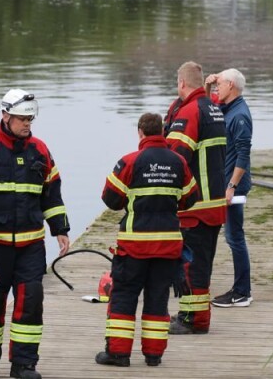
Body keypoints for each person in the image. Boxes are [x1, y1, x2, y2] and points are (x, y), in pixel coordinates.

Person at [0, 89, 71, 379]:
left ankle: (24, 365)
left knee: (31, 303)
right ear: (5, 116)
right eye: (21, 119)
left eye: (30, 119)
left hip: (31, 246)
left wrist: (61, 229)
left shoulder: (40, 150)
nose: (27, 124)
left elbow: (51, 193)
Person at [94, 113, 196, 368]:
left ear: (140, 132)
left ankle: (118, 354)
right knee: (158, 298)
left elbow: (110, 199)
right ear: (162, 132)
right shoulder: (179, 162)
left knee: (124, 297)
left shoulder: (130, 161)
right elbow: (190, 198)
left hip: (134, 246)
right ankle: (153, 355)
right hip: (168, 246)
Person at [163, 61, 227, 334]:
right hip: (214, 203)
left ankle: (192, 319)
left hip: (195, 205)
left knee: (190, 264)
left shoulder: (189, 112)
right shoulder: (214, 108)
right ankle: (198, 317)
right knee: (203, 263)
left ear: (181, 84)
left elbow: (176, 157)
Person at [206, 68, 254, 308]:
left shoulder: (239, 115)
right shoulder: (228, 108)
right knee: (231, 236)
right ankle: (239, 289)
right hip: (226, 184)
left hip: (234, 187)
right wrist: (207, 86)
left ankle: (242, 292)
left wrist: (232, 186)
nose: (217, 87)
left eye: (220, 84)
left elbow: (243, 154)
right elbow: (206, 109)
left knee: (235, 238)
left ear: (232, 87)